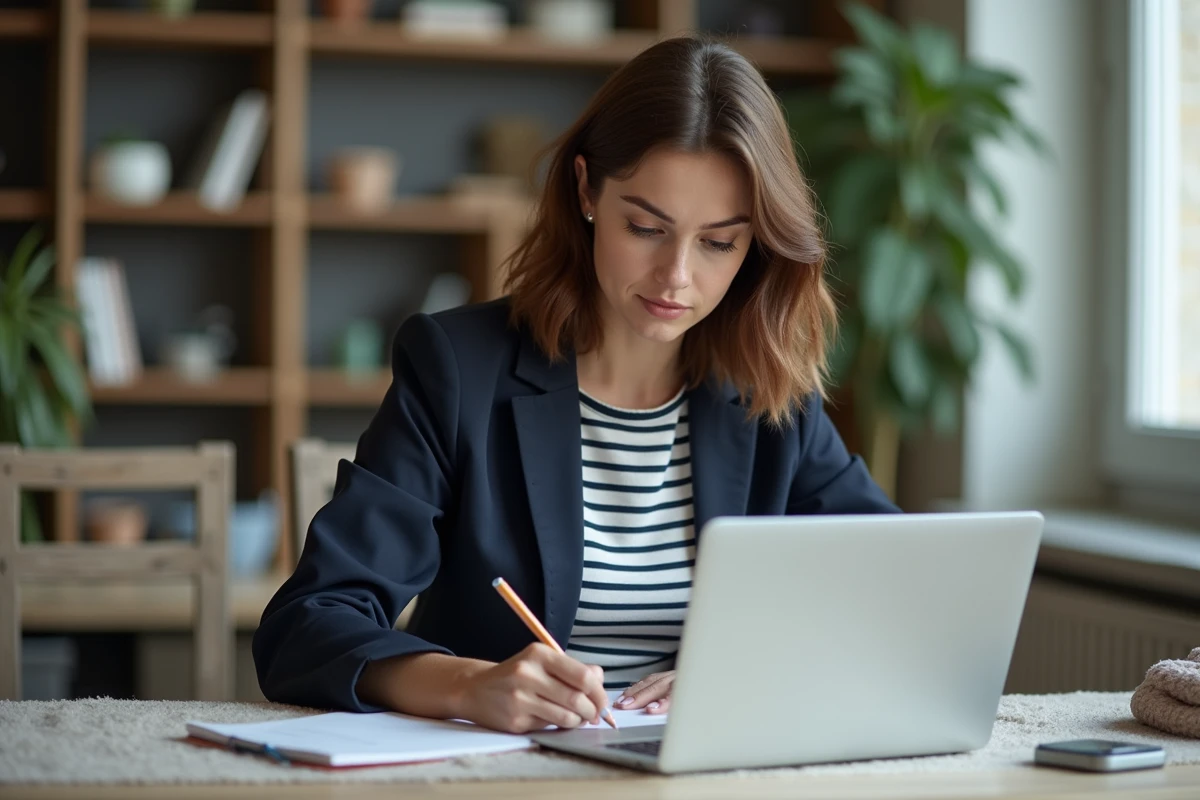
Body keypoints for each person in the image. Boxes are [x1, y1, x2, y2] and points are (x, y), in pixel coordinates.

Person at [253, 35, 898, 735]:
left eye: (719, 242)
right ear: (587, 189)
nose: (676, 275)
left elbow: (894, 589)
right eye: (646, 226)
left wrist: (748, 670)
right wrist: (468, 685)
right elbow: (307, 624)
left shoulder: (772, 393)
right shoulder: (458, 369)